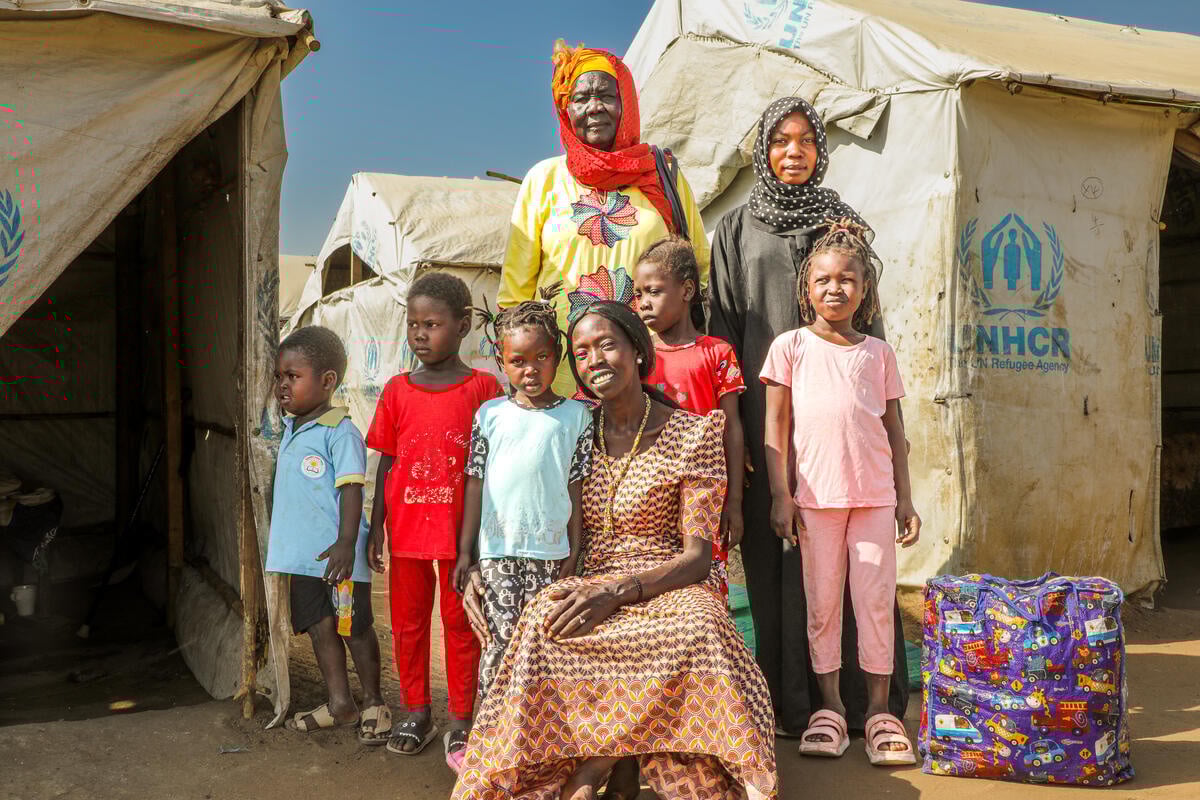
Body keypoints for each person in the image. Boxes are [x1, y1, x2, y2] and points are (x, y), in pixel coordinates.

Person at [451, 301, 777, 800]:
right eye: (581, 352)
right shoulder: (576, 429)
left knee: (698, 627)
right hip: (594, 572)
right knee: (544, 622)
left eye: (607, 344)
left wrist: (615, 593)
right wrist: (475, 561)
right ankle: (576, 767)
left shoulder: (695, 432)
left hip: (673, 579)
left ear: (637, 350)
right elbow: (504, 486)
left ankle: (599, 766)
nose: (595, 360)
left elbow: (697, 556)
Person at [708, 95, 911, 737]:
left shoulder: (841, 223)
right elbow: (724, 328)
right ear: (763, 151)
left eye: (805, 142)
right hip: (767, 419)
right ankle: (788, 702)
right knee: (780, 562)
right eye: (780, 141)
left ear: (820, 151)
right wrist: (732, 429)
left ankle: (862, 707)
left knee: (862, 574)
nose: (793, 152)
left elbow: (868, 319)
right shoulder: (738, 228)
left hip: (844, 427)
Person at [760, 221, 920, 764]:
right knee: (823, 606)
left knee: (875, 603)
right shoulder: (790, 347)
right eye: (823, 279)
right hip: (815, 502)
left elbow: (895, 431)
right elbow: (775, 428)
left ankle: (879, 715)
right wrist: (781, 496)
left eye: (847, 279)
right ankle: (827, 710)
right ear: (807, 289)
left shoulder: (878, 353)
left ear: (865, 288)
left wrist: (906, 496)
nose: (835, 288)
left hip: (874, 498)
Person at [499, 40, 709, 397]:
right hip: (561, 375)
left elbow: (698, 266)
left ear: (625, 102)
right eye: (580, 99)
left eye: (606, 96)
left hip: (651, 367)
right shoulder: (544, 179)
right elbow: (515, 292)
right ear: (566, 110)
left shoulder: (662, 175)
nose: (594, 107)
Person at [365, 273, 502, 765]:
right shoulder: (397, 389)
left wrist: (486, 537)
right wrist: (375, 527)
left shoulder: (484, 388)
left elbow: (491, 466)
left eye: (432, 324)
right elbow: (385, 461)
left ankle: (461, 716)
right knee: (407, 623)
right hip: (404, 533)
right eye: (413, 324)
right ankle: (416, 709)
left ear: (463, 326)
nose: (420, 334)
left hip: (460, 535)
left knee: (459, 623)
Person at [452, 295, 593, 722]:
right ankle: (494, 738)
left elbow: (577, 489)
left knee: (548, 647)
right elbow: (474, 484)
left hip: (552, 557)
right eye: (518, 360)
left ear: (559, 357)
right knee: (500, 647)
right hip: (498, 555)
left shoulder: (577, 417)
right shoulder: (489, 414)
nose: (530, 369)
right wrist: (466, 552)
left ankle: (543, 740)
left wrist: (575, 550)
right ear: (501, 361)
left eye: (542, 357)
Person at [266, 325, 390, 745]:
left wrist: (345, 543)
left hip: (339, 558)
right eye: (279, 376)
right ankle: (340, 704)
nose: (282, 385)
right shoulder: (288, 428)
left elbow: (352, 489)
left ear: (327, 381)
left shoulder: (340, 431)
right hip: (303, 559)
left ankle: (374, 702)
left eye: (293, 376)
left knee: (353, 627)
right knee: (320, 629)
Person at [633, 236, 746, 598]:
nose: (643, 303)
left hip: (705, 492)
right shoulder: (637, 356)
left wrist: (734, 502)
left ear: (686, 290)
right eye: (638, 294)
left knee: (707, 588)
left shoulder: (717, 352)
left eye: (653, 291)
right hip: (652, 493)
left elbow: (732, 429)